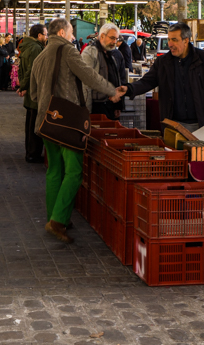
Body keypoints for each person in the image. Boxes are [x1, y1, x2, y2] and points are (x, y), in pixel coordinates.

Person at [31, 18, 124, 244]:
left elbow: (32, 94)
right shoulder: (68, 51)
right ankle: (58, 221)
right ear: (62, 32)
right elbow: (88, 75)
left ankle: (54, 215)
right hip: (67, 121)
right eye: (71, 32)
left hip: (45, 120)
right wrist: (111, 90)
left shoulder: (40, 56)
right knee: (74, 172)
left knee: (54, 170)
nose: (73, 37)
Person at [121, 23, 204, 132]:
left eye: (174, 40)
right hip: (173, 126)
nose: (170, 44)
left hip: (203, 124)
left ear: (186, 40)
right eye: (169, 39)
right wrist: (128, 89)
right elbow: (147, 82)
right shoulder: (163, 62)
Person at [81, 23, 127, 119]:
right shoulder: (90, 53)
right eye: (112, 38)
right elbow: (85, 84)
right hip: (97, 106)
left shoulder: (113, 54)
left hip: (111, 106)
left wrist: (118, 106)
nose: (115, 42)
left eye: (116, 39)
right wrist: (86, 112)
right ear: (102, 36)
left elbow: (118, 79)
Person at [16, 23, 47, 163]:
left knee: (30, 123)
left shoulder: (26, 47)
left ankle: (30, 152)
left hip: (30, 91)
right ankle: (33, 154)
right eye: (45, 34)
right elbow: (32, 70)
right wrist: (23, 86)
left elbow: (21, 70)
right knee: (35, 125)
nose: (46, 37)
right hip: (35, 92)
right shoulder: (36, 48)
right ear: (39, 35)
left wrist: (23, 85)